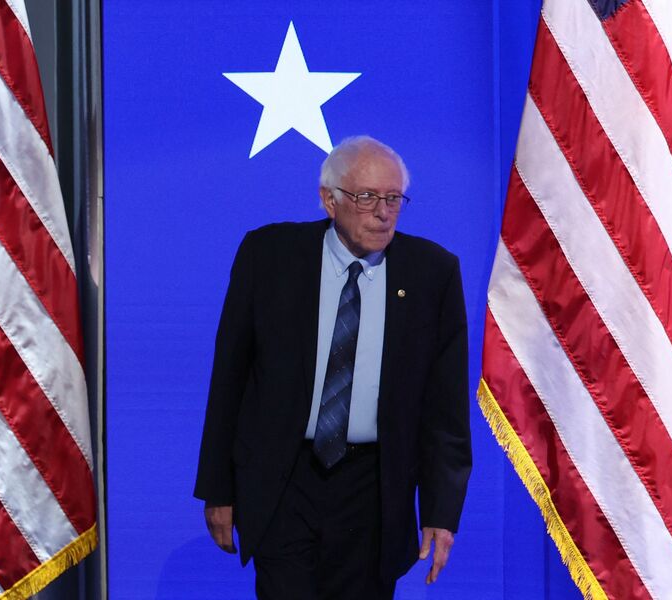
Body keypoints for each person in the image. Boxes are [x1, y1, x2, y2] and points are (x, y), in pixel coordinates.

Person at [194, 136, 471, 599]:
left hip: (373, 489)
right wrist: (217, 488)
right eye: (367, 197)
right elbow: (229, 379)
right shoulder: (269, 256)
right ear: (329, 200)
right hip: (284, 479)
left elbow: (446, 409)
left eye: (393, 199)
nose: (383, 213)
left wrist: (441, 512)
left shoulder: (432, 273)